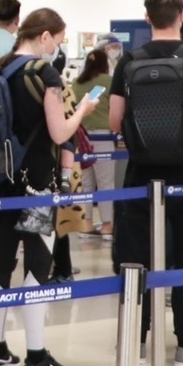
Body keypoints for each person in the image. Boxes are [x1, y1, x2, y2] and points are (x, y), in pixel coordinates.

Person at [107, 0, 183, 366]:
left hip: (142, 179)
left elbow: (115, 122)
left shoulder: (129, 61)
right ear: (182, 15)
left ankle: (136, 345)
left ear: (147, 18)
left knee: (137, 263)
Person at [0, 9, 95, 366]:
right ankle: (36, 357)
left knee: (2, 260)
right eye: (57, 40)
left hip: (2, 179)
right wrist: (83, 110)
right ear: (44, 36)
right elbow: (60, 132)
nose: (56, 48)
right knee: (37, 260)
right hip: (36, 182)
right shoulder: (44, 73)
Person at [73, 47, 116, 237]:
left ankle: (86, 224)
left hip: (80, 137)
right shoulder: (108, 81)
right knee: (105, 182)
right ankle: (107, 225)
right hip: (103, 137)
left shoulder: (76, 83)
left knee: (86, 183)